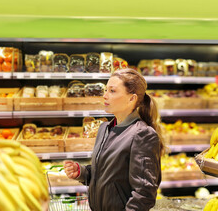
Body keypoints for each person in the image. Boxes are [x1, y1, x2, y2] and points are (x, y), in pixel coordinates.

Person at [64, 68, 164, 211]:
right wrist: (82, 172)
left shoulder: (142, 135)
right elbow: (106, 175)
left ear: (132, 98)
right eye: (105, 90)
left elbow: (144, 194)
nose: (105, 96)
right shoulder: (105, 128)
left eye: (112, 91)